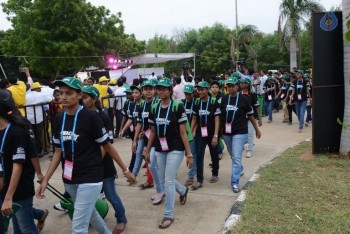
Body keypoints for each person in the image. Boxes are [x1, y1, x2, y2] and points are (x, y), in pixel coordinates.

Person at [36, 77, 136, 233]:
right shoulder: (59, 117)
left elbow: (107, 146)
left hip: (91, 177)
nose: (63, 97)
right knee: (91, 214)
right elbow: (57, 152)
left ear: (79, 95)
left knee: (78, 227)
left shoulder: (91, 117)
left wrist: (125, 170)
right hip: (70, 178)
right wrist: (46, 179)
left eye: (69, 93)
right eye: (61, 93)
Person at [143, 78, 192, 229]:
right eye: (159, 89)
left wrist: (189, 154)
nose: (160, 91)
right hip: (159, 147)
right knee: (166, 179)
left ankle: (168, 215)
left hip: (176, 147)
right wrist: (147, 149)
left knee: (168, 182)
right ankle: (183, 191)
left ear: (170, 91)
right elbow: (153, 131)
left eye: (164, 89)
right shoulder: (154, 107)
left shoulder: (177, 106)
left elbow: (183, 132)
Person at [81, 85, 128, 234]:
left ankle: (121, 218)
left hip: (103, 165)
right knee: (88, 197)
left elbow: (105, 145)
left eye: (85, 97)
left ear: (94, 99)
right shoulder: (82, 116)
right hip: (88, 165)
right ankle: (91, 218)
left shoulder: (104, 117)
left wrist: (95, 161)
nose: (82, 100)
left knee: (110, 195)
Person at [0, 92, 42, 233]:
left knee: (26, 227)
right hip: (5, 187)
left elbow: (18, 165)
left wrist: (8, 197)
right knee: (18, 227)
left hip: (19, 188)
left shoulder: (17, 131)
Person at [220, 76, 261, 193]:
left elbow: (250, 115)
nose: (231, 89)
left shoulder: (244, 99)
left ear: (237, 86)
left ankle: (235, 182)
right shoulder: (224, 98)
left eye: (233, 86)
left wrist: (257, 129)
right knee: (233, 155)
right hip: (227, 132)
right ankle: (240, 169)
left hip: (240, 132)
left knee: (237, 157)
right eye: (229, 86)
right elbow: (219, 117)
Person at [132, 80, 165, 204]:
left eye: (150, 89)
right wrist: (135, 139)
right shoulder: (141, 105)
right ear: (142, 92)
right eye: (145, 89)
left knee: (155, 166)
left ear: (154, 91)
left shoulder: (158, 103)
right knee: (152, 165)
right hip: (146, 138)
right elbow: (140, 123)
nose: (148, 92)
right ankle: (161, 190)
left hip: (158, 140)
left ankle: (162, 190)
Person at [191, 81, 221, 190]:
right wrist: (191, 131)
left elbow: (217, 120)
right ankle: (199, 180)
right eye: (198, 90)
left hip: (212, 132)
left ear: (207, 89)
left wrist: (216, 136)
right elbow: (194, 118)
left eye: (202, 89)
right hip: (200, 133)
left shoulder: (214, 101)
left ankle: (215, 174)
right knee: (199, 155)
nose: (200, 92)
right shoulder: (197, 102)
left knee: (214, 154)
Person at [119, 85, 142, 174]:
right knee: (137, 150)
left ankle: (133, 171)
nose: (132, 95)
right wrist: (123, 129)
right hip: (135, 132)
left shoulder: (144, 104)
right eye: (132, 93)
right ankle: (133, 172)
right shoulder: (131, 105)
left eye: (136, 93)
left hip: (145, 133)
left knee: (142, 152)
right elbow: (129, 118)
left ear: (141, 94)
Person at [239, 78, 262, 158]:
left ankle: (250, 150)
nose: (241, 84)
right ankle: (241, 146)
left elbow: (256, 106)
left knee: (250, 134)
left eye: (243, 83)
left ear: (247, 84)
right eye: (240, 83)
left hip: (251, 117)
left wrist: (260, 118)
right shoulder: (239, 93)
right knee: (242, 133)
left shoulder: (252, 94)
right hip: (241, 117)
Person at [182, 84, 197, 186]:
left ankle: (191, 176)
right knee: (186, 153)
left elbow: (197, 119)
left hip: (193, 132)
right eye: (186, 94)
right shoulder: (182, 103)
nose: (187, 96)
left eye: (189, 94)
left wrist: (193, 131)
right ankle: (194, 170)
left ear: (193, 93)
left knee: (191, 154)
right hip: (184, 132)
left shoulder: (196, 103)